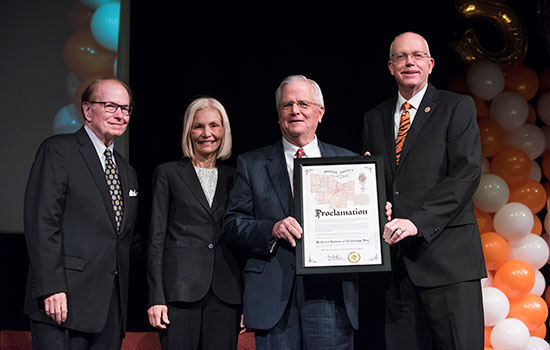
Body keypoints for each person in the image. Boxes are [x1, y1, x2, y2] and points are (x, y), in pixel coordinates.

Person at [362, 32, 486, 349]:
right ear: (390, 67)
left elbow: (465, 174)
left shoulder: (456, 107)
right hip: (396, 266)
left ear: (430, 64)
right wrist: (375, 205)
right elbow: (374, 183)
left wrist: (417, 222)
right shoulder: (373, 118)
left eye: (417, 55)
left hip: (449, 262)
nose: (409, 62)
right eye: (401, 57)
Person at [223, 75, 359, 350]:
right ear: (278, 115)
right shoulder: (251, 164)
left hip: (329, 295)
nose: (295, 110)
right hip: (273, 298)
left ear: (320, 112)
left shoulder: (350, 163)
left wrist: (376, 214)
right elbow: (232, 224)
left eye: (303, 103)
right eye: (287, 105)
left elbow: (361, 225)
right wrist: (271, 229)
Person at [23, 78, 139, 349]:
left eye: (126, 108)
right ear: (87, 111)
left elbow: (122, 239)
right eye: (110, 106)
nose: (120, 115)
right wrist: (51, 287)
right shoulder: (58, 151)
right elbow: (42, 221)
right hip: (63, 302)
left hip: (110, 310)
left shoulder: (127, 171)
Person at [147, 97, 243, 349]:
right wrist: (156, 297)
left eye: (214, 125)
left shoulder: (236, 175)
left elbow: (242, 238)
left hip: (226, 292)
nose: (207, 133)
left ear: (224, 130)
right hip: (179, 292)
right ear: (188, 130)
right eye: (198, 126)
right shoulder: (167, 173)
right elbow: (156, 238)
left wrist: (249, 300)